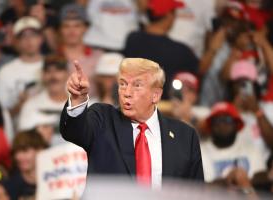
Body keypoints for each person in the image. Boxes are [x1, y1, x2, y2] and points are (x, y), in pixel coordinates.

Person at [61, 58, 204, 189]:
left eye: (137, 85)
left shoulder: (185, 136)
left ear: (156, 95)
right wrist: (77, 100)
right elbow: (73, 131)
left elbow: (196, 192)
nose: (126, 92)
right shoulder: (103, 119)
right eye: (123, 84)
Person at [124, 0, 199, 99]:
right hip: (166, 110)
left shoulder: (132, 40)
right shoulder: (181, 51)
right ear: (169, 15)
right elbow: (198, 72)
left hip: (134, 104)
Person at [200, 102, 266, 189]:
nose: (222, 124)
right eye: (217, 120)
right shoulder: (199, 151)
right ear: (210, 125)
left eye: (227, 119)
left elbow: (262, 183)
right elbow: (199, 189)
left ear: (236, 124)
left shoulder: (251, 150)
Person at [0, 16, 44, 117]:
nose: (29, 40)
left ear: (41, 38)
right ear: (16, 41)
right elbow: (0, 116)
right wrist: (20, 105)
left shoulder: (55, 67)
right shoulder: (5, 73)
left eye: (33, 35)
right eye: (23, 36)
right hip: (20, 130)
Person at [58, 3, 103, 97]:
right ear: (60, 29)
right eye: (66, 26)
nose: (71, 31)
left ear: (85, 28)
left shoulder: (98, 57)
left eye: (77, 26)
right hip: (60, 108)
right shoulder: (54, 57)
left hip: (91, 107)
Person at [18, 55, 68, 133]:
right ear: (43, 75)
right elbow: (24, 141)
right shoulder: (30, 106)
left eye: (58, 70)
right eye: (48, 71)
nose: (53, 76)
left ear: (67, 74)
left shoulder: (82, 105)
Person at [3, 131, 49, 200]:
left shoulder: (54, 178)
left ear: (40, 150)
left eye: (24, 151)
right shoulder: (9, 186)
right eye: (16, 152)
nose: (18, 156)